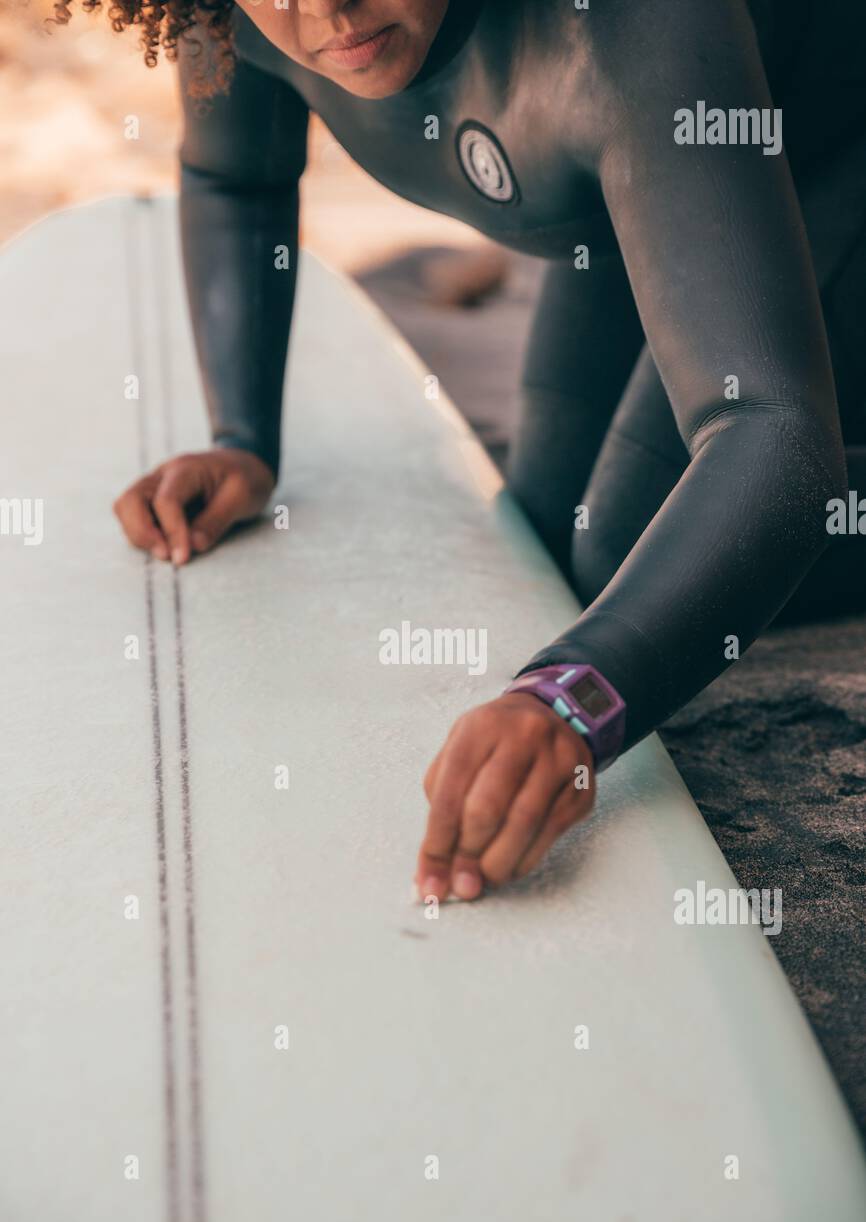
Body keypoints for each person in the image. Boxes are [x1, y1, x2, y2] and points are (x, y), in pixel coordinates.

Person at [79, 0, 865, 901]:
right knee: (542, 536)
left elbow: (770, 427)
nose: (327, 11)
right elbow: (237, 180)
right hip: (648, 183)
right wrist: (243, 439)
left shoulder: (627, 23)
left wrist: (571, 701)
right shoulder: (236, 17)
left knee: (620, 548)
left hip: (835, 150)